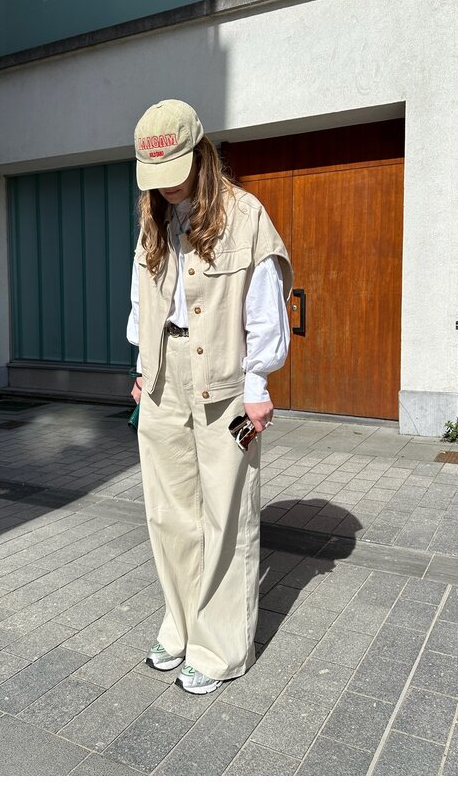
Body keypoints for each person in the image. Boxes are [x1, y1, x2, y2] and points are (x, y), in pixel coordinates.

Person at [127, 99, 293, 695]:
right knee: (169, 513)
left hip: (226, 382)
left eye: (175, 171)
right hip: (163, 379)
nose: (166, 187)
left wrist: (257, 384)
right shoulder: (153, 218)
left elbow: (265, 307)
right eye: (156, 177)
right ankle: (181, 624)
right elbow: (141, 300)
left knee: (226, 513)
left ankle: (220, 646)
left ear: (201, 154)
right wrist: (144, 368)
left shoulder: (245, 216)